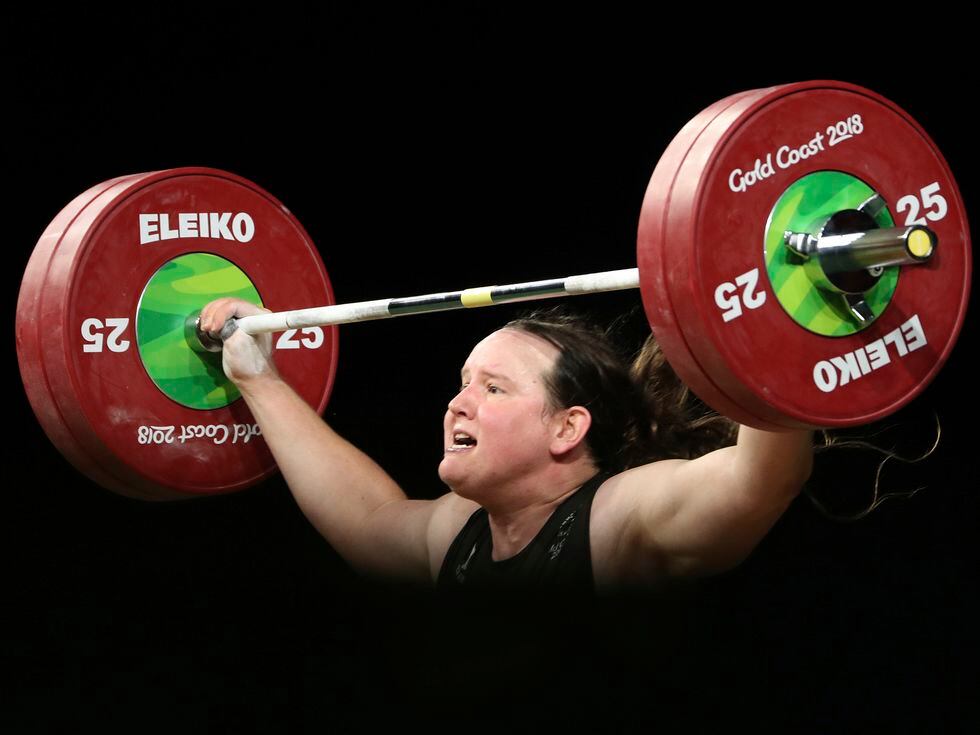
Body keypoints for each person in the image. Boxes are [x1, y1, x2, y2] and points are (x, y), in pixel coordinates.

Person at [198, 299, 814, 592]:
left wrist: (788, 320)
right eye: (463, 384)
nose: (458, 404)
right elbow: (366, 519)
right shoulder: (461, 532)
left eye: (493, 389)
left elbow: (757, 479)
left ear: (566, 430)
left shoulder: (619, 519)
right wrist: (257, 378)